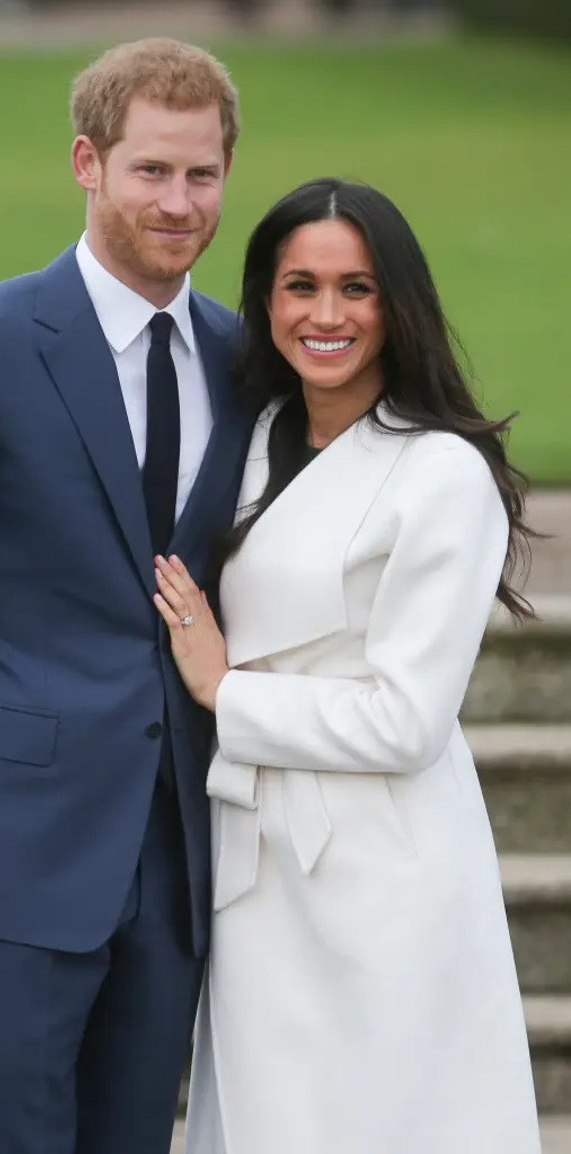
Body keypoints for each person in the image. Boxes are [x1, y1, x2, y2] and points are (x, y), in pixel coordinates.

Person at [0, 38, 255, 1154]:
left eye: (200, 174)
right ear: (87, 162)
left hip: (177, 851)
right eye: (150, 170)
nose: (177, 201)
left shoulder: (241, 360)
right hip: (3, 854)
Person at [153, 177, 541, 1153]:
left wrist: (225, 689)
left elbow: (406, 721)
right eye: (298, 285)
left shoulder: (438, 473)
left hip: (381, 873)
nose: (324, 314)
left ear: (395, 304)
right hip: (255, 862)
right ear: (264, 299)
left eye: (355, 288)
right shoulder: (246, 440)